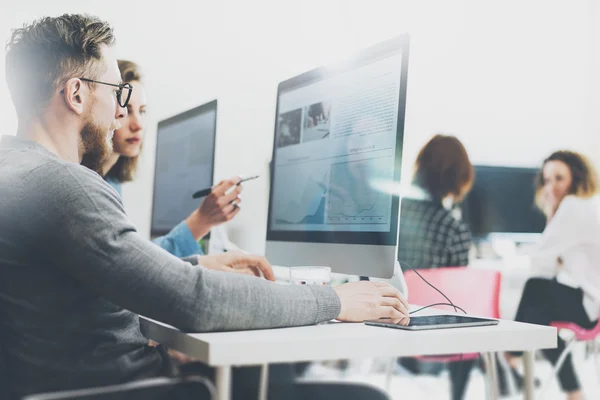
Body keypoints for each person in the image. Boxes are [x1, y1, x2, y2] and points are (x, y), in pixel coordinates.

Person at [0, 14, 410, 399]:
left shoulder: (14, 170)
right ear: (75, 94)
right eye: (118, 92)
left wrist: (192, 268)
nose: (121, 111)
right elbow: (196, 303)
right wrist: (338, 301)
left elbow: (86, 286)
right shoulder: (64, 185)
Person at [81, 60, 238, 257]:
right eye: (127, 110)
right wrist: (201, 220)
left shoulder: (111, 181)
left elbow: (133, 254)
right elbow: (130, 262)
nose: (138, 124)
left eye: (143, 111)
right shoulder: (86, 185)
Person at [504, 150, 600, 400]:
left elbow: (542, 263)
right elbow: (551, 259)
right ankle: (573, 391)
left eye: (559, 178)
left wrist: (551, 214)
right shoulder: (581, 206)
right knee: (539, 315)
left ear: (576, 179)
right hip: (590, 303)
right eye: (547, 180)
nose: (552, 185)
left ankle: (510, 355)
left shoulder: (572, 206)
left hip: (590, 306)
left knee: (535, 288)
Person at [396, 134, 475, 400]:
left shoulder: (393, 215)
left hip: (387, 319)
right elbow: (459, 294)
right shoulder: (453, 227)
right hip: (431, 329)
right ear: (459, 176)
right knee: (473, 319)